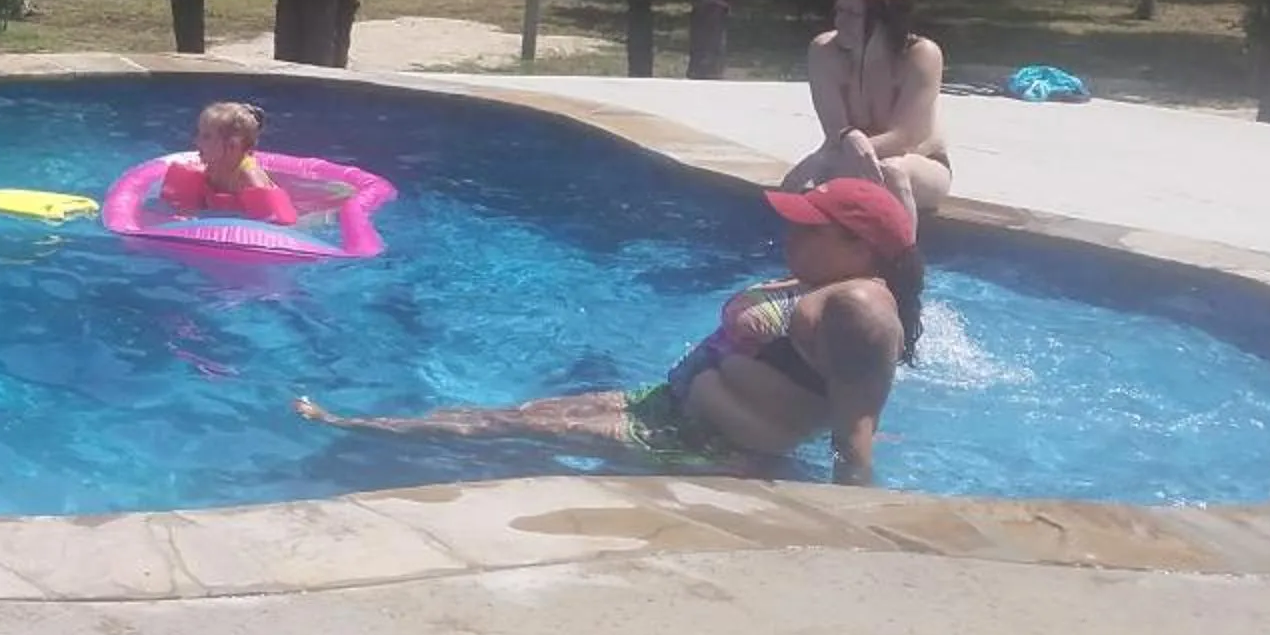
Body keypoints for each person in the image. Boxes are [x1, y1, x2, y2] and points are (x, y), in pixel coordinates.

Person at [292, 177, 923, 485]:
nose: (792, 234)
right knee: (520, 418)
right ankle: (379, 437)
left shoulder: (859, 308)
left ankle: (363, 437)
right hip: (665, 408)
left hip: (705, 445)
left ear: (861, 247)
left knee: (509, 428)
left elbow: (853, 440)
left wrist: (847, 536)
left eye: (811, 228)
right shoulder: (820, 286)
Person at [786, 0, 952, 215]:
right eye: (839, 10)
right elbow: (835, 131)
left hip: (919, 164)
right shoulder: (824, 51)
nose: (840, 20)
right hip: (846, 154)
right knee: (794, 183)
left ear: (885, 19)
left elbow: (906, 136)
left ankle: (905, 253)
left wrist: (852, 150)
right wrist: (844, 149)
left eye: (853, 14)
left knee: (892, 172)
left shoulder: (920, 55)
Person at [159, 101, 299, 226]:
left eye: (206, 137)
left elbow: (275, 224)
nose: (197, 141)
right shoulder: (211, 167)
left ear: (232, 145)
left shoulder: (248, 178)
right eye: (199, 134)